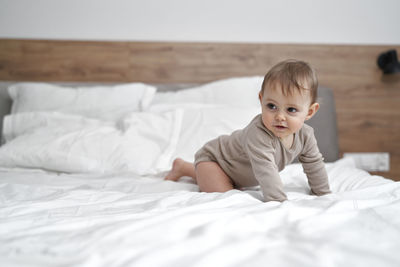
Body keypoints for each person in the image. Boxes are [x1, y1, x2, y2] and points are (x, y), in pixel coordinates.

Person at [164, 59, 331, 202]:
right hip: (214, 160)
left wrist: (323, 194)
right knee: (227, 197)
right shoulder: (258, 134)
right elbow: (266, 172)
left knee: (231, 183)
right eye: (271, 106)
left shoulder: (306, 136)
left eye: (291, 110)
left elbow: (314, 164)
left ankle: (183, 167)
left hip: (236, 173)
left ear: (309, 112)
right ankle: (197, 169)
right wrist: (279, 203)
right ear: (261, 99)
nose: (280, 116)